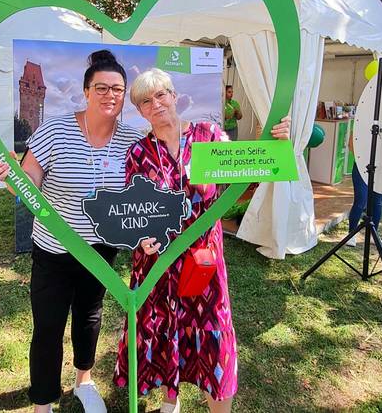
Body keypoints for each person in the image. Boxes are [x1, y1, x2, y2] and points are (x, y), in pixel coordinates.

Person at [114, 68, 290, 413]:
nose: (156, 104)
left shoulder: (208, 136)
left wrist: (275, 145)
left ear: (174, 96)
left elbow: (246, 178)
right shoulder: (138, 153)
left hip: (203, 261)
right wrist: (142, 236)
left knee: (213, 336)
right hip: (159, 264)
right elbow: (135, 209)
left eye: (161, 94)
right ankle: (171, 398)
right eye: (146, 101)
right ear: (140, 111)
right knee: (164, 328)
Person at [0, 50, 142, 413]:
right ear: (86, 91)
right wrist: (11, 173)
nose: (110, 95)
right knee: (48, 326)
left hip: (100, 249)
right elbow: (30, 184)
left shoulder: (132, 140)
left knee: (89, 315)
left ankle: (83, 382)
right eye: (101, 87)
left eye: (117, 89)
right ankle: (43, 401)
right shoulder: (56, 130)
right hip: (54, 249)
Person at [346, 135, 382, 247]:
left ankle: (374, 236)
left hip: (381, 168)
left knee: (377, 202)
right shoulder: (363, 120)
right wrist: (362, 158)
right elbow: (351, 144)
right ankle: (351, 234)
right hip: (361, 167)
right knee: (361, 200)